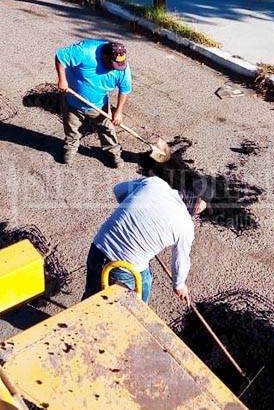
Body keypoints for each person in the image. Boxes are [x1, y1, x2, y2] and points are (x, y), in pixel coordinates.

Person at [82, 176, 207, 304]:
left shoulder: (155, 183)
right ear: (198, 203)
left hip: (98, 248)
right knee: (135, 302)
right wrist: (179, 286)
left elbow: (118, 190)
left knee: (91, 298)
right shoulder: (185, 225)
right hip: (123, 269)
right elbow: (180, 261)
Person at [55, 40, 132, 169]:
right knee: (71, 127)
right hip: (73, 99)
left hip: (99, 104)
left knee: (107, 129)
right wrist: (62, 80)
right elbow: (60, 57)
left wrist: (118, 111)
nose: (116, 69)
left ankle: (113, 153)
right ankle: (70, 148)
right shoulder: (85, 51)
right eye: (113, 65)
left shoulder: (121, 66)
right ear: (105, 57)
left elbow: (124, 90)